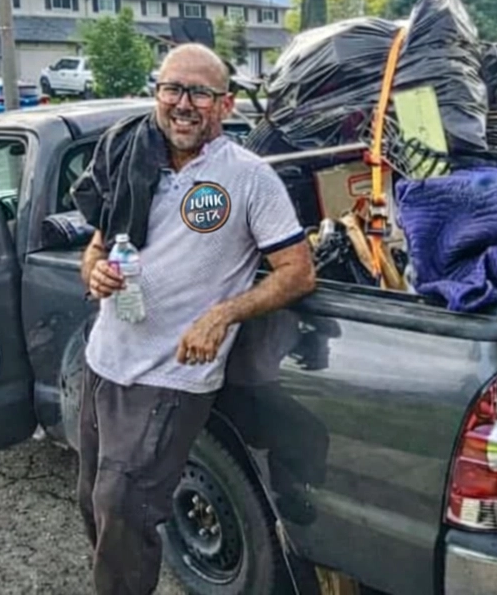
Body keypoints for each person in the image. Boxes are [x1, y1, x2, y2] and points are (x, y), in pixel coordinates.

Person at [74, 43, 316, 595]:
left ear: (225, 105)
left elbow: (298, 272)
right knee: (93, 500)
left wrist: (223, 315)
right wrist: (94, 272)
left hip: (172, 376)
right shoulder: (130, 158)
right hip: (105, 361)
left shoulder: (249, 177)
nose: (183, 104)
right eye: (172, 89)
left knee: (123, 505)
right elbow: (95, 247)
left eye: (200, 93)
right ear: (157, 94)